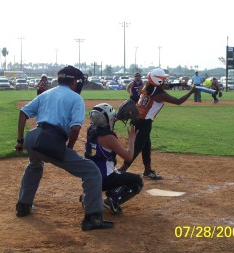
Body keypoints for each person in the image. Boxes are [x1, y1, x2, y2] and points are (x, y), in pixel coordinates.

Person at [14, 65, 114, 231]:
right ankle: (93, 218)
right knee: (91, 171)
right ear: (74, 81)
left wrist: (19, 140)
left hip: (32, 138)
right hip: (51, 141)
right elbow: (75, 129)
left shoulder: (47, 93)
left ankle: (23, 206)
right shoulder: (75, 98)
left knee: (34, 165)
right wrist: (69, 147)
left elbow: (23, 113)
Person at [118, 68, 196, 180]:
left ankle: (148, 170)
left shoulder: (147, 85)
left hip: (136, 120)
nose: (164, 81)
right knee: (137, 148)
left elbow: (167, 86)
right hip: (144, 123)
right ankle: (122, 170)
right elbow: (178, 101)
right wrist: (191, 91)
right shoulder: (159, 94)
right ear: (157, 80)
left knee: (146, 146)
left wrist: (180, 83)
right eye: (162, 79)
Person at [84, 103, 143, 214]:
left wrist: (115, 118)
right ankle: (112, 200)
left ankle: (89, 196)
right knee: (137, 181)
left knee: (117, 173)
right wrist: (131, 139)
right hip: (103, 179)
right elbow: (129, 157)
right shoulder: (109, 138)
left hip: (89, 178)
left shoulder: (90, 130)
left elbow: (103, 125)